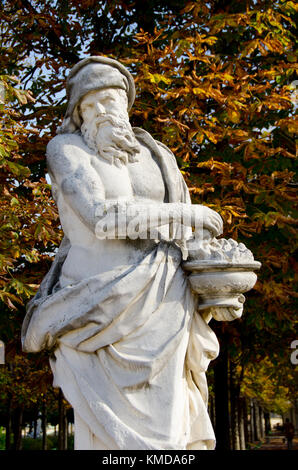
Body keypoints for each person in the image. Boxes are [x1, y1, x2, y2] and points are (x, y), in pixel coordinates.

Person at [21, 56, 224, 450]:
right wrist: (188, 214)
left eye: (109, 100)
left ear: (126, 104)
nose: (100, 111)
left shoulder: (158, 155)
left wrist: (215, 286)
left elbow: (189, 242)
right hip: (95, 305)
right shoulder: (66, 150)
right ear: (77, 113)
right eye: (89, 105)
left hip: (164, 297)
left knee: (170, 424)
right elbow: (101, 218)